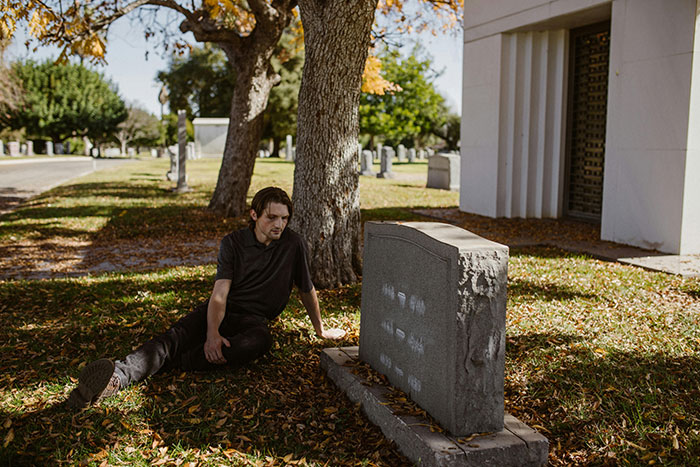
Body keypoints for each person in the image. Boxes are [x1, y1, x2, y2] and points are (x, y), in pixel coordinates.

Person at [67, 186, 345, 409]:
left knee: (258, 343)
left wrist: (320, 330)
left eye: (284, 218)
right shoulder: (233, 243)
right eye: (271, 217)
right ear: (254, 215)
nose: (279, 224)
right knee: (171, 339)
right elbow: (219, 294)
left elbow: (306, 288)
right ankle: (115, 378)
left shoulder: (293, 244)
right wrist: (212, 333)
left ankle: (178, 361)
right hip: (223, 310)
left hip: (254, 321)